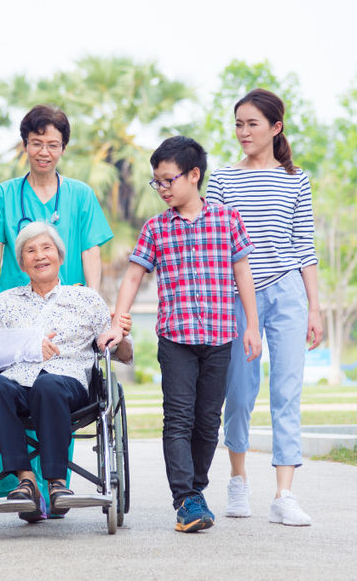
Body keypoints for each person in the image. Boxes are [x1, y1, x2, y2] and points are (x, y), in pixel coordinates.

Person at [98, 136, 261, 533]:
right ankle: (185, 498)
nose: (162, 189)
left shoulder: (227, 220)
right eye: (157, 182)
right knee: (178, 419)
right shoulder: (157, 228)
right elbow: (134, 274)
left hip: (221, 337)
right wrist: (119, 320)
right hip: (176, 340)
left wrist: (252, 326)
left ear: (194, 175)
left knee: (208, 421)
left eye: (168, 180)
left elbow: (242, 272)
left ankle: (196, 491)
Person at [206, 88, 323, 526]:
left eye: (252, 124)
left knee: (286, 394)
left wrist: (315, 307)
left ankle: (284, 494)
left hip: (288, 293)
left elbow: (303, 245)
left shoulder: (296, 179)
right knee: (237, 394)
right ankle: (238, 480)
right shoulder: (221, 180)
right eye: (238, 124)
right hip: (237, 298)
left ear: (275, 127)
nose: (243, 132)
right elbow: (215, 244)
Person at [0, 222, 132, 523]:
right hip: (18, 383)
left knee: (48, 385)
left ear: (60, 257)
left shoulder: (86, 298)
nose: (39, 256)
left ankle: (57, 483)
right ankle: (26, 481)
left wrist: (120, 336)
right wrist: (30, 346)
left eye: (46, 248)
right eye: (30, 251)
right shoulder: (6, 302)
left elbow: (121, 353)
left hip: (69, 386)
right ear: (22, 264)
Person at [0, 105, 113, 320]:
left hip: (70, 304)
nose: (44, 152)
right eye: (37, 144)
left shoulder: (81, 195)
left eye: (53, 145)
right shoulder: (3, 194)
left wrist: (92, 296)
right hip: (17, 306)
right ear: (25, 145)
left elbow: (90, 250)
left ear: (63, 149)